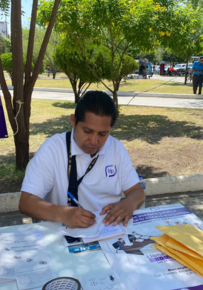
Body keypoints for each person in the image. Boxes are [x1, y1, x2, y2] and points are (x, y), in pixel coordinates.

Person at [19, 91, 146, 228]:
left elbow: (137, 191)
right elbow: (26, 202)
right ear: (73, 121)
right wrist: (63, 214)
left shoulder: (116, 149)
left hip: (108, 230)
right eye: (87, 131)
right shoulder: (52, 149)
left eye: (103, 134)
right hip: (64, 233)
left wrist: (129, 204)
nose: (94, 141)